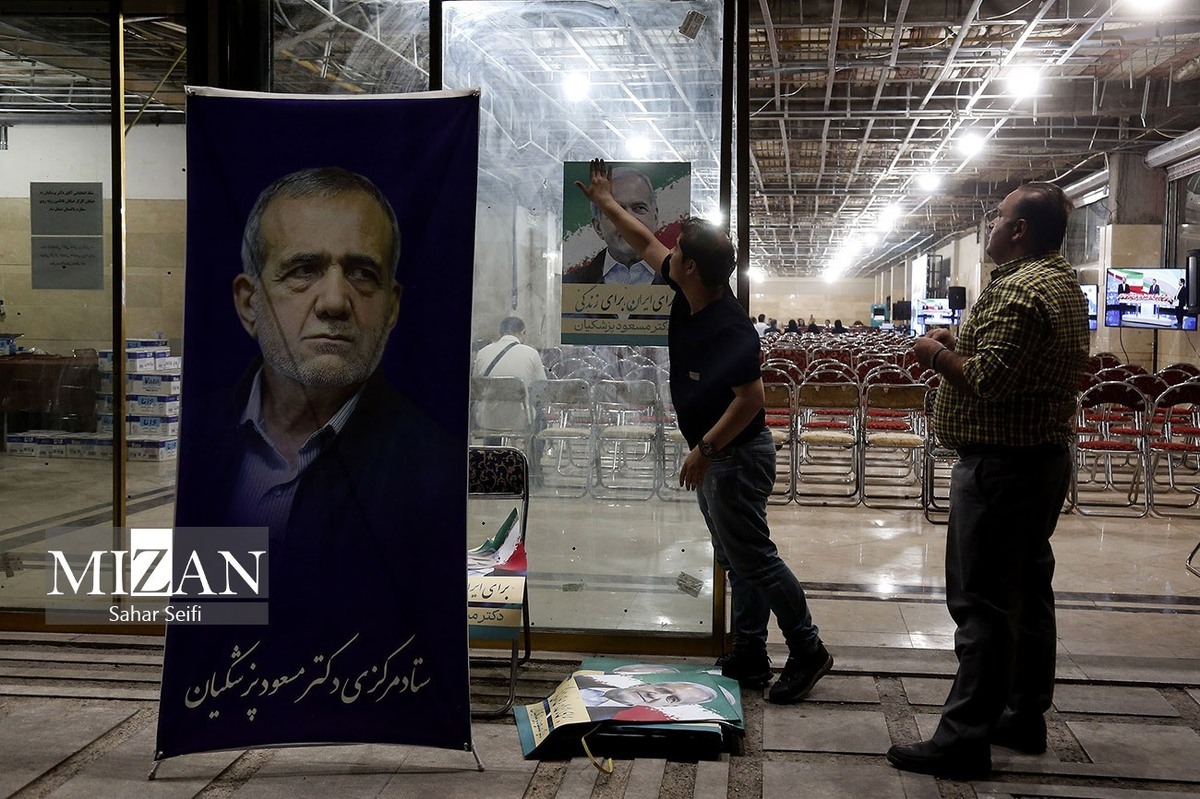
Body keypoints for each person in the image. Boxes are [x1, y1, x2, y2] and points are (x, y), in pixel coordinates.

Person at [575, 158, 831, 704]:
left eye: (678, 252)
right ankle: (750, 653)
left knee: (756, 559)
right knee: (738, 559)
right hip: (721, 457)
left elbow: (751, 400)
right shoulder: (688, 288)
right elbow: (645, 240)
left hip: (735, 456)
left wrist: (705, 450)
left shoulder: (728, 327)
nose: (667, 253)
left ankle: (809, 649)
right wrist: (606, 203)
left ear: (690, 267)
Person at [887, 182, 1088, 779]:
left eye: (998, 217)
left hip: (1002, 468)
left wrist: (932, 354)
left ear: (1020, 230)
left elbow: (987, 381)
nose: (990, 225)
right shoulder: (1057, 282)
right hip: (1038, 460)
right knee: (1028, 594)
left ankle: (963, 739)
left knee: (984, 606)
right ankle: (1023, 715)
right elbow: (1010, 361)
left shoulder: (1020, 290)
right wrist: (962, 341)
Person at [563, 165, 667, 285]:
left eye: (639, 208)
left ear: (655, 218)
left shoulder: (680, 278)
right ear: (598, 227)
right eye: (616, 211)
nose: (629, 220)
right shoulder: (570, 283)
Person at [472, 315, 547, 443]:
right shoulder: (531, 353)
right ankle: (531, 454)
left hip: (487, 420)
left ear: (501, 332)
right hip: (520, 420)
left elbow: (475, 388)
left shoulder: (482, 353)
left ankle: (493, 452)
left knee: (493, 416)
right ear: (523, 332)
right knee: (541, 419)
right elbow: (542, 388)